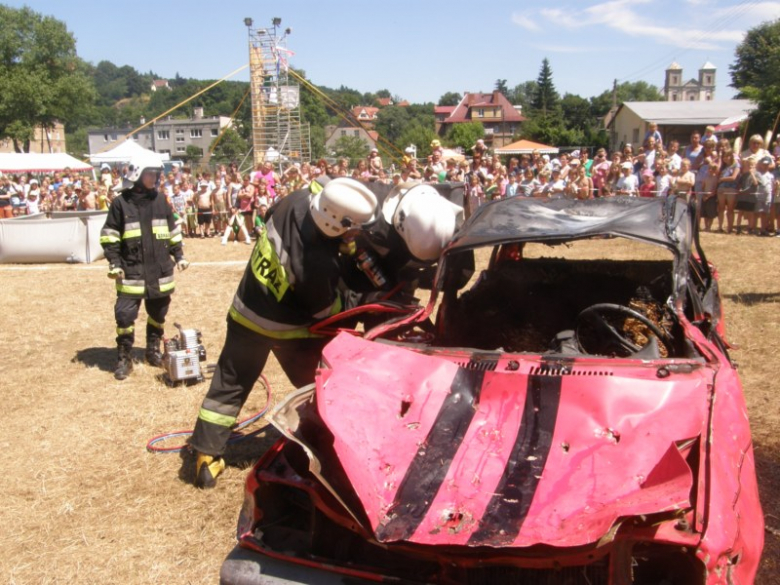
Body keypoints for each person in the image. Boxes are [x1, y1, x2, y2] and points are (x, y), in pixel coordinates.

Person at [187, 177, 379, 488]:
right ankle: (330, 445)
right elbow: (325, 311)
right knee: (318, 385)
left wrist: (336, 244)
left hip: (246, 308)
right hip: (287, 332)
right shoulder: (316, 263)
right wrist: (355, 293)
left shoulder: (298, 199)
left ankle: (206, 457)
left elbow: (279, 218)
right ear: (338, 223)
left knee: (230, 382)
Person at [99, 156, 188, 381]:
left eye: (157, 174)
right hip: (131, 271)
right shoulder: (121, 203)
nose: (155, 178)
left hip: (159, 271)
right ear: (137, 175)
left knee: (158, 313)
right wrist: (115, 263)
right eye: (151, 173)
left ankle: (152, 350)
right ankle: (124, 357)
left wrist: (179, 256)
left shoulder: (161, 201)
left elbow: (172, 230)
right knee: (124, 315)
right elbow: (110, 236)